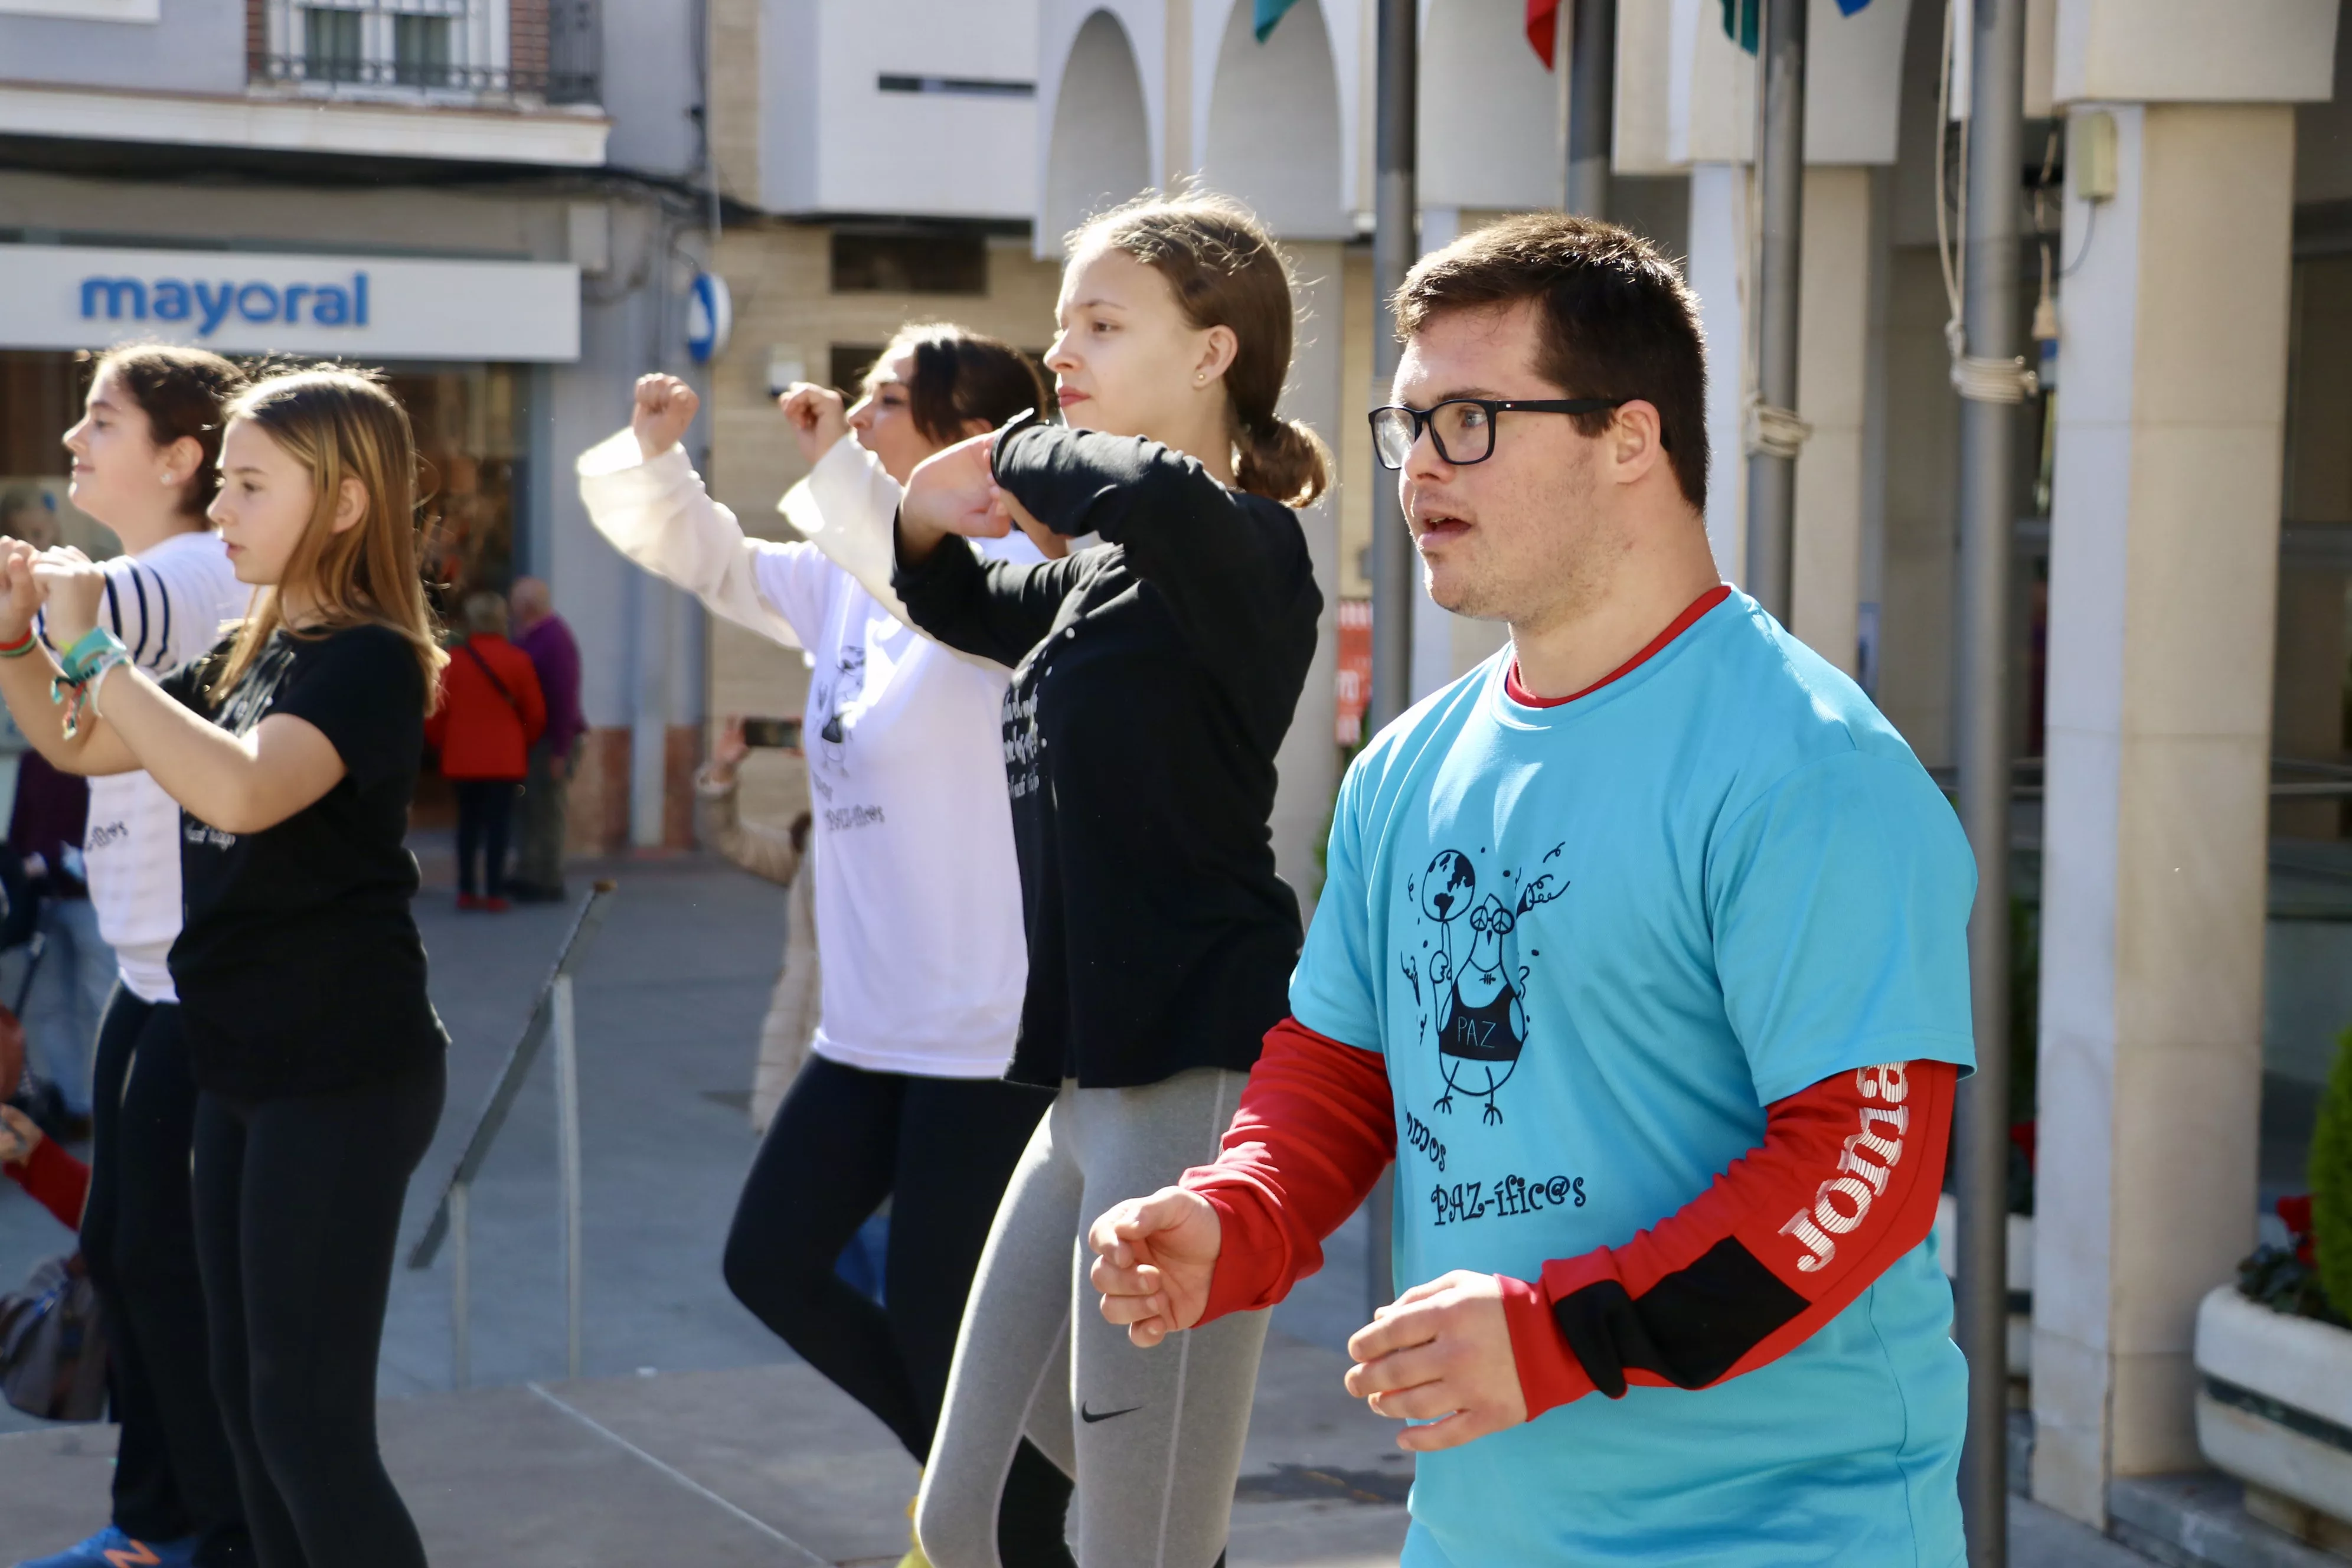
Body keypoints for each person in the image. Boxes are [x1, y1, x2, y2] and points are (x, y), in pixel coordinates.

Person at [1083, 214, 1978, 1567]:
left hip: (1779, 1534)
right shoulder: (1404, 770)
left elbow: (1864, 1166)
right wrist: (1240, 1210)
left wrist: (1566, 1336)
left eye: (1473, 422)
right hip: (1478, 1527)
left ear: (1630, 439)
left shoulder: (1808, 761)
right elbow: (1341, 1063)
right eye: (1409, 425)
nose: (1421, 469)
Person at [576, 326, 1071, 1568]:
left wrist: (857, 496)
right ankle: (1009, 1517)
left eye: (889, 401)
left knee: (933, 1320)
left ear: (975, 436)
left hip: (984, 1032)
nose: (856, 416)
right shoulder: (844, 576)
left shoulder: (1010, 574)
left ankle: (1010, 1528)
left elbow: (937, 596)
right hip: (865, 1029)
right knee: (772, 1261)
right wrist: (659, 458)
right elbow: (714, 560)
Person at [890, 192, 1327, 1568]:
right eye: (1059, 319)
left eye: (1100, 319)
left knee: (1137, 1544)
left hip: (1195, 1073)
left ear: (1211, 353)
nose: (1061, 344)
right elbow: (956, 599)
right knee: (961, 1513)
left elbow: (1137, 486)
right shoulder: (1099, 583)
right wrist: (916, 502)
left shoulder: (1236, 545)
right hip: (1091, 1082)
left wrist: (1012, 446)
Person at [0, 365, 451, 1568]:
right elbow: (79, 739)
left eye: (254, 487)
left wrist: (95, 643)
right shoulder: (250, 648)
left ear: (348, 505)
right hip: (244, 1061)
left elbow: (244, 789)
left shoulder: (366, 657)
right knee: (250, 1413)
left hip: (343, 1071)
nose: (229, 510)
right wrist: (16, 641)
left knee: (309, 1424)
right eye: (229, 482)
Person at [12, 344, 253, 1568]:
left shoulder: (190, 573)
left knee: (167, 1268)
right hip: (147, 971)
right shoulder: (154, 578)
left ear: (180, 456)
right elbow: (67, 739)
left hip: (196, 985)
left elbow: (86, 635)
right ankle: (156, 1520)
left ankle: (198, 1528)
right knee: (128, 1253)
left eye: (101, 420)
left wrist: (39, 588)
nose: (72, 441)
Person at [693, 715, 818, 1138]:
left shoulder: (886, 842)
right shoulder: (812, 845)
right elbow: (732, 842)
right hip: (794, 1055)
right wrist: (723, 772)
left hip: (858, 1059)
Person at [8, 749, 108, 1141]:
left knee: (102, 1006)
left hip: (96, 901)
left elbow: (114, 831)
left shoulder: (102, 751)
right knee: (52, 1009)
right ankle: (76, 1107)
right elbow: (21, 829)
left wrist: (50, 861)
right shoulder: (33, 759)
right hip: (46, 902)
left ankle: (118, 1106)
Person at [426, 590, 546, 912]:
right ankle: (494, 891)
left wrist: (443, 744)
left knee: (467, 826)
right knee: (498, 827)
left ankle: (466, 890)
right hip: (504, 760)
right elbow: (535, 714)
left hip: (463, 759)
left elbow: (435, 713)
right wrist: (522, 743)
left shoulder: (453, 663)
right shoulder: (518, 661)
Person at [506, 576, 582, 903]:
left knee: (548, 808)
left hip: (552, 739)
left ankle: (548, 878)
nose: (510, 610)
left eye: (514, 604)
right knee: (532, 807)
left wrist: (560, 752)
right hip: (537, 738)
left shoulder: (553, 638)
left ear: (527, 606)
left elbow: (565, 697)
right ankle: (529, 871)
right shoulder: (534, 635)